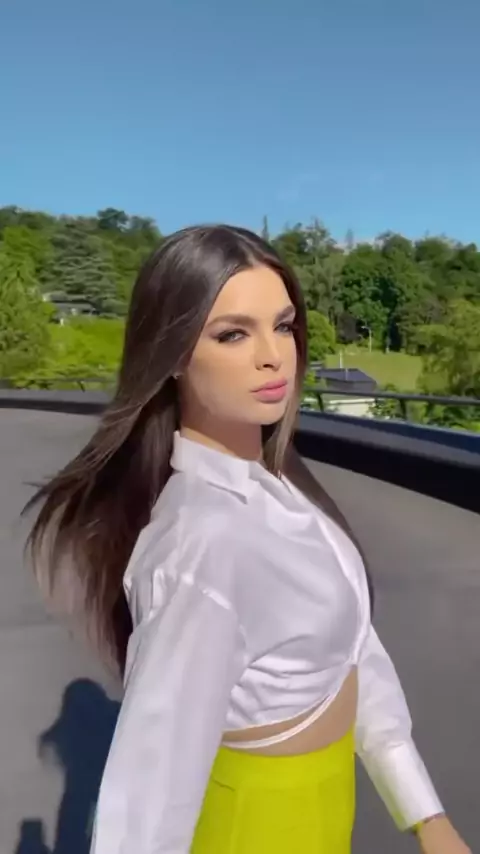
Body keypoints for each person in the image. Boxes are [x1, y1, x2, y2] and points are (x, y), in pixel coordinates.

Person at [25, 225, 470, 854]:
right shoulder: (199, 548)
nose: (273, 356)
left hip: (323, 809)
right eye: (233, 334)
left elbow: (353, 654)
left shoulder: (282, 490)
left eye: (283, 326)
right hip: (253, 827)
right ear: (172, 355)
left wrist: (426, 815)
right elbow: (149, 793)